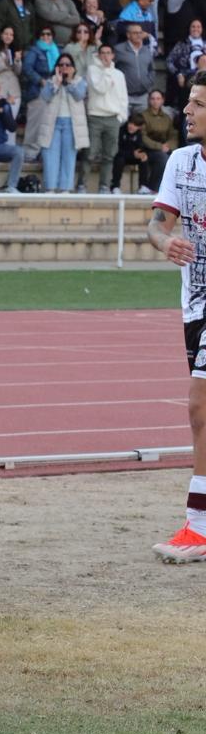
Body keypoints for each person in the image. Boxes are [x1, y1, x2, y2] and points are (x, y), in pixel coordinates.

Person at [146, 77, 206, 564]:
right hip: (195, 303)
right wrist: (164, 242)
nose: (187, 109)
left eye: (198, 104)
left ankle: (199, 526)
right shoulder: (180, 161)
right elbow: (156, 223)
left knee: (199, 407)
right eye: (189, 101)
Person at [34, 55, 89, 192]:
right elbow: (45, 96)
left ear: (73, 68)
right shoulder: (51, 81)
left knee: (69, 158)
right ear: (57, 67)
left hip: (71, 124)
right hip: (53, 123)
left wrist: (69, 82)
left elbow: (79, 96)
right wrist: (56, 84)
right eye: (61, 64)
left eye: (68, 64)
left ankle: (65, 189)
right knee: (50, 156)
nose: (64, 67)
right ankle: (50, 188)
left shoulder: (80, 81)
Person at [85, 42, 129, 191]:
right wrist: (106, 70)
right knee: (90, 154)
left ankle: (104, 186)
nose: (105, 56)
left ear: (113, 55)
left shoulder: (119, 74)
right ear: (98, 55)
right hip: (95, 117)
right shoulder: (92, 70)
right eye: (102, 53)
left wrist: (121, 117)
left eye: (108, 53)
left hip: (112, 118)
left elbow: (123, 98)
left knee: (109, 156)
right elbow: (101, 88)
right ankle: (82, 185)